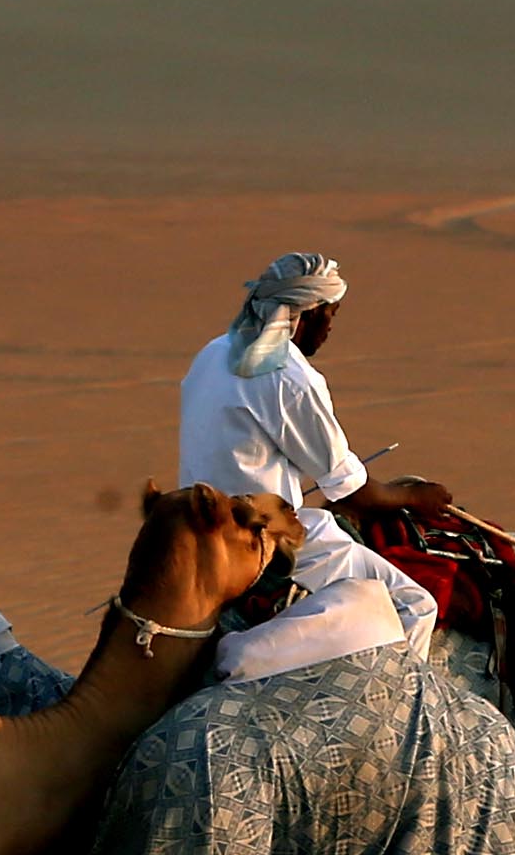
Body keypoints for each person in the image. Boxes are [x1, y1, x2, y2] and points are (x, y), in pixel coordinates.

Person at [179, 251, 443, 675]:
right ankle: (396, 695)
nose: (331, 328)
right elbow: (352, 490)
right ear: (307, 314)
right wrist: (415, 496)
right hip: (260, 537)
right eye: (331, 314)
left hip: (193, 523)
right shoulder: (290, 377)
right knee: (415, 604)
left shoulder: (213, 352)